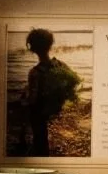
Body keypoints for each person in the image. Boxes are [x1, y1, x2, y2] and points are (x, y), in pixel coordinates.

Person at [22, 28, 81, 157]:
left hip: (41, 112)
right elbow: (73, 82)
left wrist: (24, 99)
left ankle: (41, 153)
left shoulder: (35, 72)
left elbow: (33, 99)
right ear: (50, 45)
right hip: (55, 108)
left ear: (32, 48)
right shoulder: (60, 65)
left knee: (39, 137)